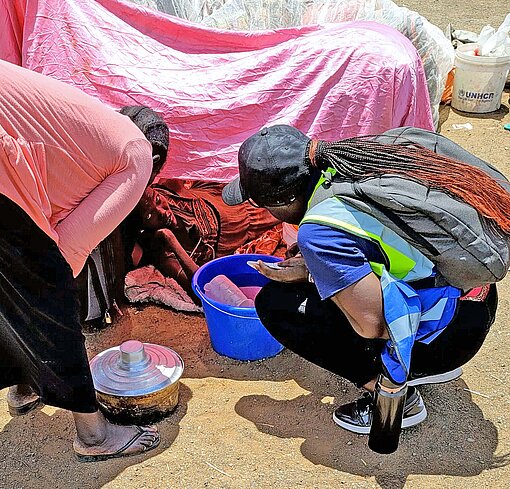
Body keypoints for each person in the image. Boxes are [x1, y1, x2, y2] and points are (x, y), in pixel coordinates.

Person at [222, 124, 507, 434]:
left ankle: (396, 395)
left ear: (281, 203)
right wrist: (315, 268)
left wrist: (316, 275)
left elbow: (372, 324)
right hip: (476, 299)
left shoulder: (318, 230)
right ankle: (428, 364)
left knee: (277, 304)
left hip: (452, 334)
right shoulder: (355, 158)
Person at [0, 60, 161, 461]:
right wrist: (50, 305)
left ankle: (25, 384)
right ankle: (93, 436)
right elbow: (65, 252)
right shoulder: (136, 155)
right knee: (49, 288)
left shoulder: (85, 129)